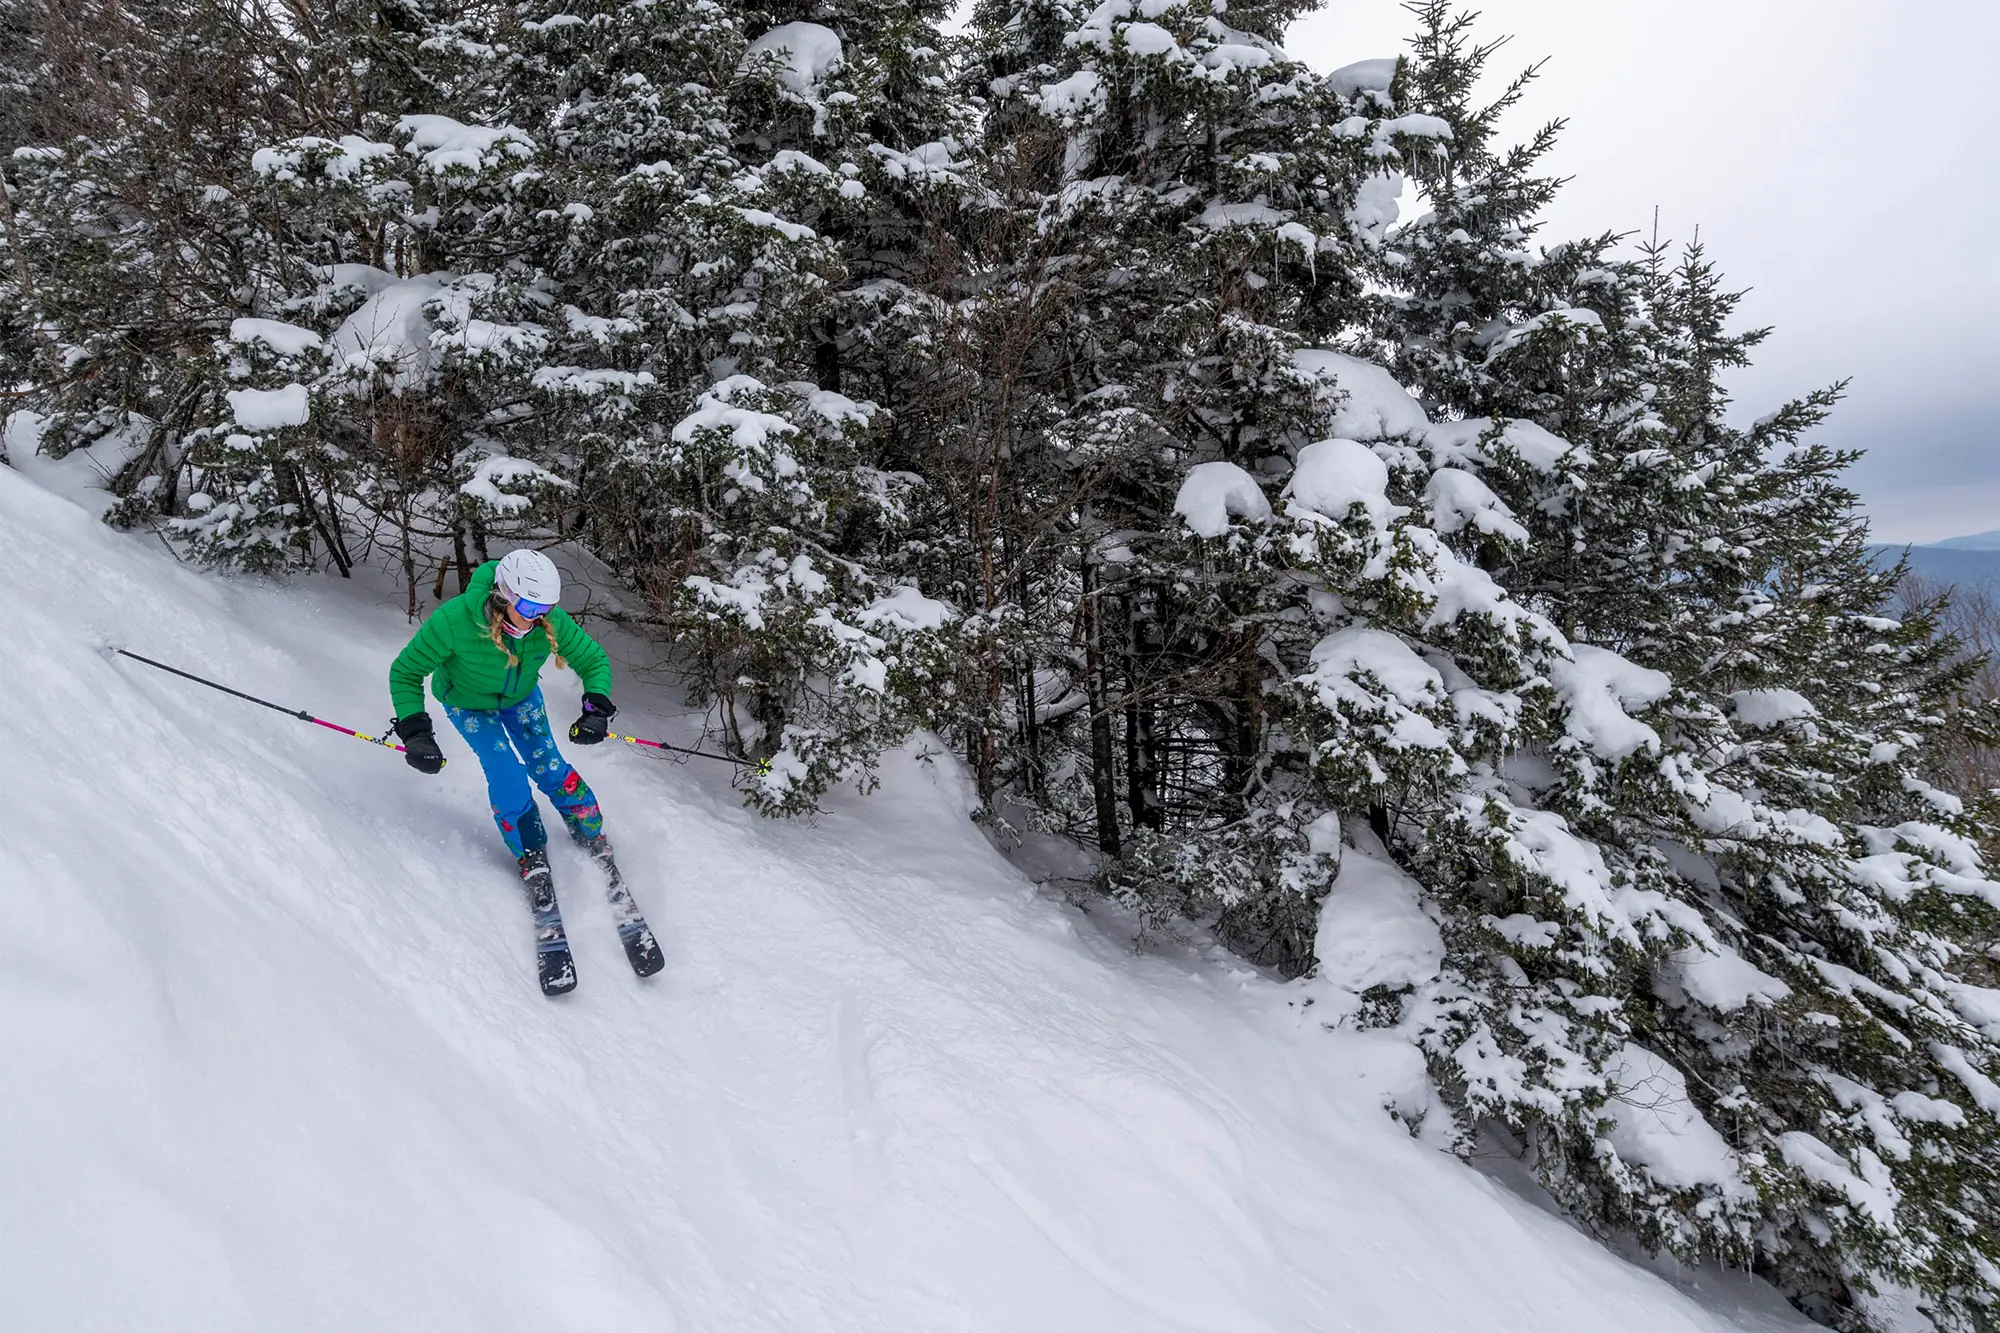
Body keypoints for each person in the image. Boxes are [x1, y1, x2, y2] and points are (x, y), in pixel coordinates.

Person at [388, 549, 620, 887]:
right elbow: (405, 671)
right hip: (467, 704)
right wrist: (416, 732)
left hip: (520, 697)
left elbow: (593, 660)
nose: (535, 619)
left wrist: (596, 709)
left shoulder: (546, 622)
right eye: (528, 608)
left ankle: (591, 834)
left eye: (544, 610)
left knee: (550, 766)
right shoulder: (454, 621)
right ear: (503, 595)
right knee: (506, 771)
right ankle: (530, 851)